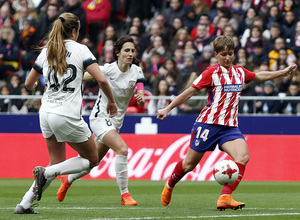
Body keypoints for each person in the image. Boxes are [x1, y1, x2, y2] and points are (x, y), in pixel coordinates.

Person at [157, 35, 297, 210]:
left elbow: (259, 76)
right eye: (224, 54)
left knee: (243, 157)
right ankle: (170, 184)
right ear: (216, 54)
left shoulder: (240, 72)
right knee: (188, 165)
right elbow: (189, 92)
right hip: (207, 124)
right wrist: (167, 108)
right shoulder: (211, 73)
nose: (228, 57)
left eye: (230, 53)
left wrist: (282, 72)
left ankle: (225, 197)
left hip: (229, 127)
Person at [14, 12, 117, 214]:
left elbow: (28, 83)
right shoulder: (80, 49)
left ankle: (24, 204)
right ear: (73, 31)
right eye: (78, 30)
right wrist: (111, 102)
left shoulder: (47, 50)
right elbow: (102, 80)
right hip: (66, 115)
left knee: (57, 162)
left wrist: (44, 86)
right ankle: (46, 173)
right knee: (92, 159)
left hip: (46, 112)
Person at [57, 36, 145, 206]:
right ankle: (125, 195)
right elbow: (81, 76)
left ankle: (67, 179)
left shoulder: (137, 71)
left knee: (92, 161)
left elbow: (140, 92)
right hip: (100, 118)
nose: (130, 54)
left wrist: (140, 99)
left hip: (116, 122)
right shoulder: (107, 69)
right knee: (122, 150)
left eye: (133, 51)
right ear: (117, 52)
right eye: (127, 50)